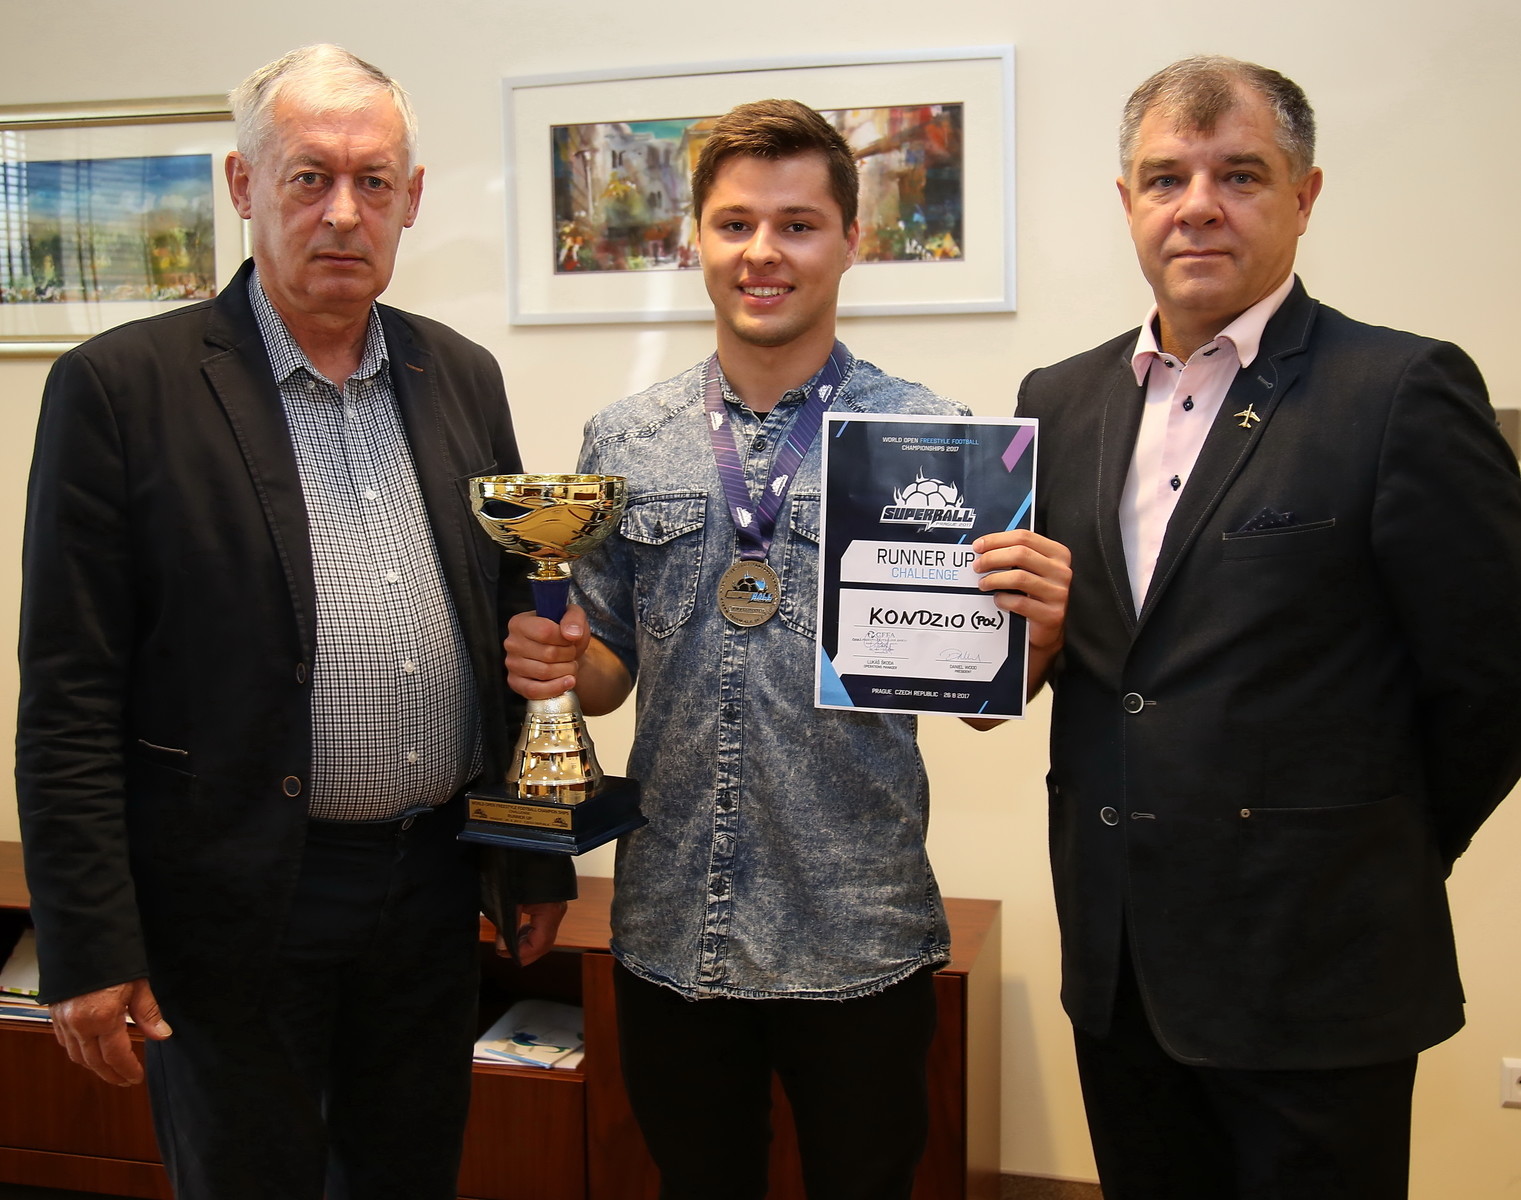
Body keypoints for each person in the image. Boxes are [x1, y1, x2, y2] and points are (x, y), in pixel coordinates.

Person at [15, 44, 575, 1200]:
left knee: (407, 1176)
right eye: (310, 177)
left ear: (412, 199)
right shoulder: (121, 390)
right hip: (236, 901)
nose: (343, 212)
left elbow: (509, 633)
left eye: (374, 182)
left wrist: (533, 858)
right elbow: (69, 697)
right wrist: (89, 943)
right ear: (243, 184)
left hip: (430, 889)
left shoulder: (461, 376)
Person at [973, 55, 1521, 1199]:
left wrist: (1374, 845)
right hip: (1120, 966)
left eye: (1240, 174)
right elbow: (1062, 658)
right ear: (1126, 200)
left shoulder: (1400, 389)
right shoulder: (1056, 401)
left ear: (1304, 196)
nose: (1199, 206)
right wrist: (1016, 651)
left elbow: (1493, 678)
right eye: (1165, 177)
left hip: (1319, 965)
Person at [504, 98, 1069, 1200]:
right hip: (672, 926)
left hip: (857, 932)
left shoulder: (937, 440)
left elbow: (978, 701)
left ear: (851, 240)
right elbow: (609, 671)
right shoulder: (624, 441)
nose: (763, 252)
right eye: (735, 224)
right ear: (696, 242)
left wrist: (1035, 637)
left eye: (798, 225)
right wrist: (567, 665)